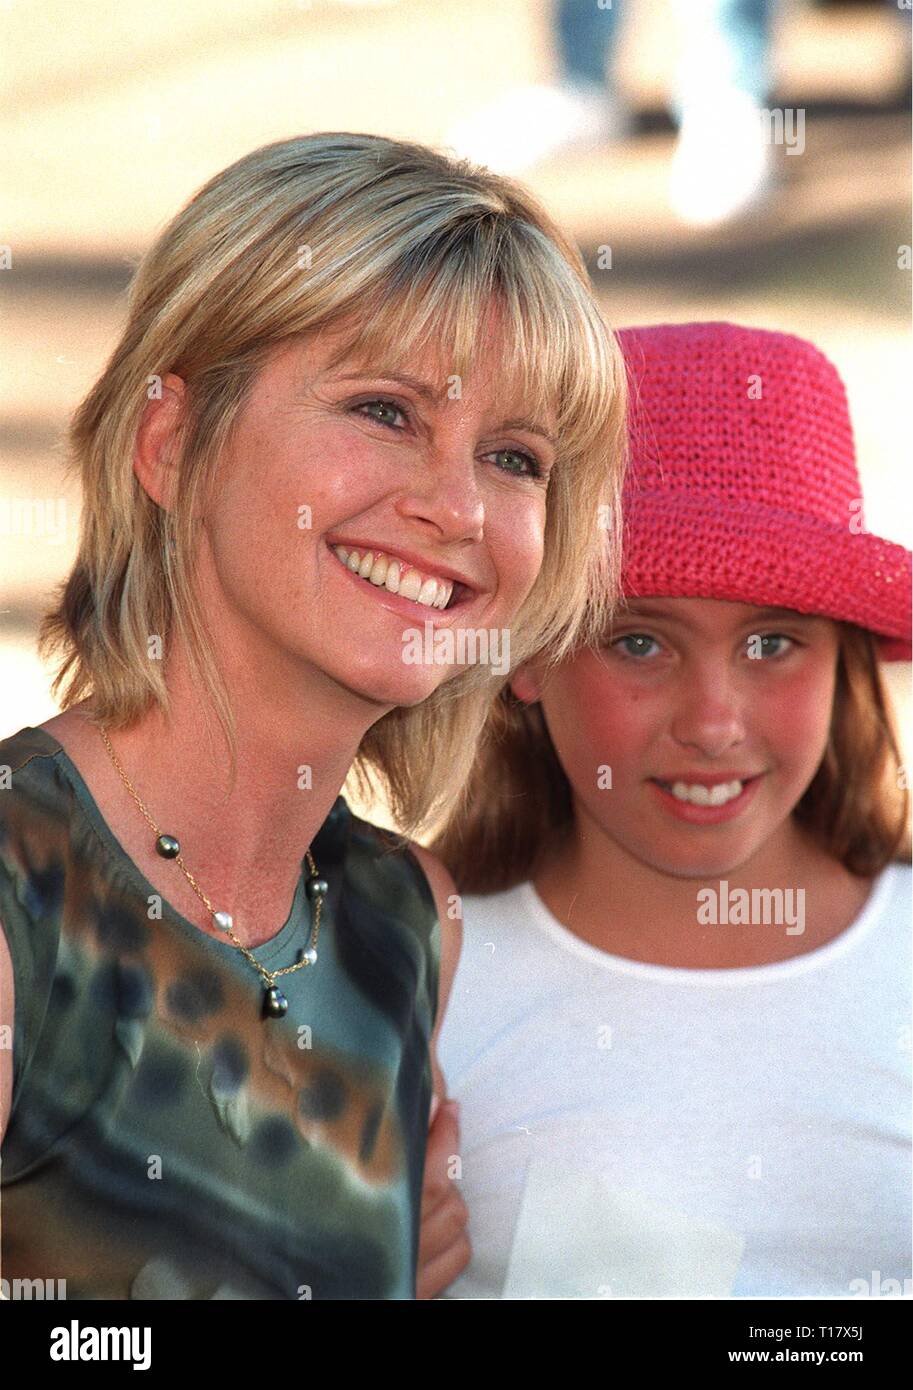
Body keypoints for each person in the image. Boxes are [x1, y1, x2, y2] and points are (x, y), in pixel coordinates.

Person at [0, 131, 628, 1300]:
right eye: (385, 411)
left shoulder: (407, 920)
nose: (455, 505)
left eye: (513, 456)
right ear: (170, 440)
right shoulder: (17, 906)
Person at [430, 320, 912, 1299]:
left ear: (843, 662)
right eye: (639, 643)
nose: (712, 722)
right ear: (528, 652)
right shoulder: (411, 978)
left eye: (773, 644)